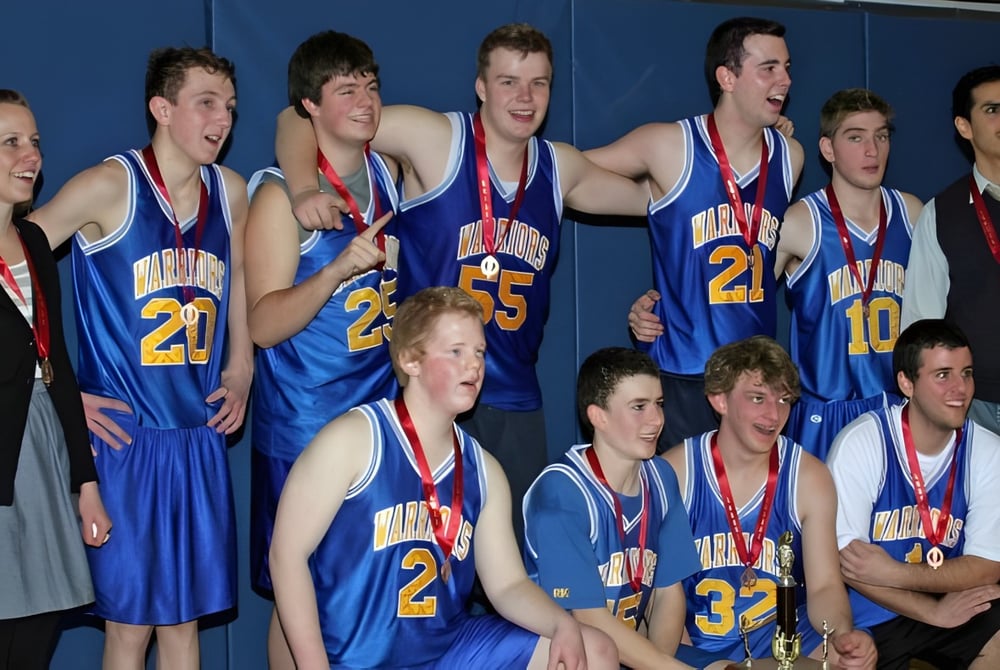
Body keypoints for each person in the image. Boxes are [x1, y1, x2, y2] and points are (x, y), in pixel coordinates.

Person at [275, 23, 649, 544]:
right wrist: (301, 190)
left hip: (515, 398)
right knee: (420, 561)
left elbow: (663, 202)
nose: (525, 98)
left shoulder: (558, 167)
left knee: (517, 561)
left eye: (539, 83)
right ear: (480, 86)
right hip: (430, 392)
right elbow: (301, 117)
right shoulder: (435, 139)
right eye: (508, 82)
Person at [29, 47, 252, 669]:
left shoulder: (229, 191)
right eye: (206, 102)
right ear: (162, 107)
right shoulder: (110, 185)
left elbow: (237, 280)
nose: (223, 118)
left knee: (184, 626)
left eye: (230, 106)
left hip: (197, 435)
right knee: (128, 629)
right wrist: (52, 385)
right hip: (127, 442)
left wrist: (242, 364)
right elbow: (15, 261)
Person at [269, 286, 618, 669]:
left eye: (480, 352)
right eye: (456, 351)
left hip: (446, 650)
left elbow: (507, 586)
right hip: (352, 656)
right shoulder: (355, 439)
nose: (474, 365)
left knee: (593, 649)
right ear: (409, 360)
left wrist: (561, 623)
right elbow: (287, 555)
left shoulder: (484, 470)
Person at [245, 30, 400, 670]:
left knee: (358, 587)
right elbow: (262, 324)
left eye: (370, 84)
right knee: (298, 592)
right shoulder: (282, 195)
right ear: (312, 105)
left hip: (376, 417)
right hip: (304, 422)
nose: (365, 100)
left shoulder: (386, 172)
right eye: (345, 89)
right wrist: (334, 273)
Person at [590, 17, 805, 449]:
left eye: (786, 67)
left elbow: (762, 260)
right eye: (769, 68)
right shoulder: (669, 144)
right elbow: (562, 176)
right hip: (683, 372)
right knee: (678, 507)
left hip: (757, 378)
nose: (785, 79)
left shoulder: (790, 155)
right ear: (727, 77)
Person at [661, 336, 875, 668]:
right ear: (719, 399)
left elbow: (825, 586)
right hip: (696, 640)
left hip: (777, 637)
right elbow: (660, 596)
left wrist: (840, 636)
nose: (774, 414)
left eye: (784, 400)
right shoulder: (676, 472)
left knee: (845, 658)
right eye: (758, 398)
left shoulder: (809, 476)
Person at [0, 90, 112, 670]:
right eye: (11, 143)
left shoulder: (36, 242)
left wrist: (85, 482)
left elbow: (57, 361)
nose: (30, 155)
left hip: (39, 447)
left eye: (35, 141)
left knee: (41, 616)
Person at [828, 319, 1000, 669]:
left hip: (945, 602)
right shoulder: (863, 443)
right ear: (907, 383)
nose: (960, 388)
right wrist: (933, 611)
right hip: (869, 617)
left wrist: (894, 572)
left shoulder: (987, 450)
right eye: (942, 375)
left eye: (966, 373)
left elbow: (986, 568)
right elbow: (848, 567)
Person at [523, 347, 700, 669]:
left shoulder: (660, 477)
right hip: (570, 653)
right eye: (638, 407)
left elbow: (667, 593)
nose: (656, 419)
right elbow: (588, 619)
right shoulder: (562, 492)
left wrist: (659, 663)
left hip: (635, 653)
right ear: (598, 416)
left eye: (659, 404)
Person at [777, 88, 921, 459]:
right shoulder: (800, 222)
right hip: (825, 411)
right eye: (855, 137)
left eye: (881, 136)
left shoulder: (911, 212)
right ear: (828, 149)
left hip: (897, 405)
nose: (872, 150)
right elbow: (741, 300)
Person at [902, 65, 1000, 436]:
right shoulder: (943, 212)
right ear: (964, 126)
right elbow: (921, 324)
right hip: (979, 407)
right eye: (992, 110)